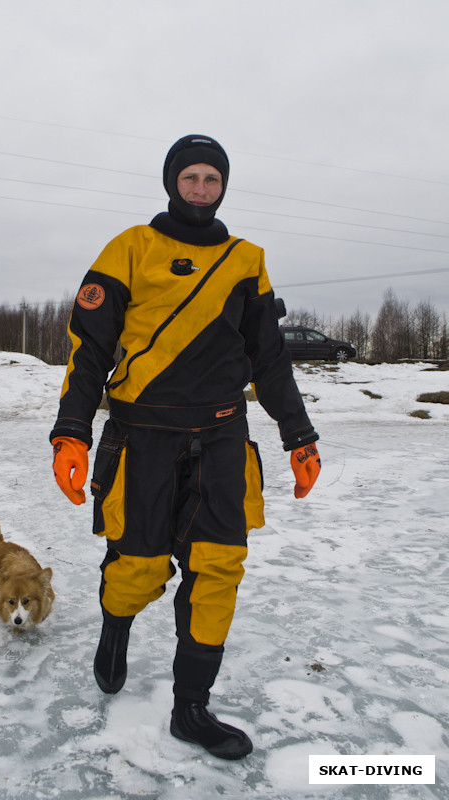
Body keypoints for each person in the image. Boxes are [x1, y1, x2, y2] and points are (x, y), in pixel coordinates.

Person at [50, 134, 321, 760]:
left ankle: (190, 709)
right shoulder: (131, 248)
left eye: (212, 179)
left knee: (217, 571)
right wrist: (71, 430)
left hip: (224, 437)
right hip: (142, 437)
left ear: (224, 185)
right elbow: (89, 348)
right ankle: (116, 625)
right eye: (190, 177)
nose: (200, 188)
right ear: (171, 181)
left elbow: (269, 358)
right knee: (138, 570)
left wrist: (298, 434)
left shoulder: (246, 259)